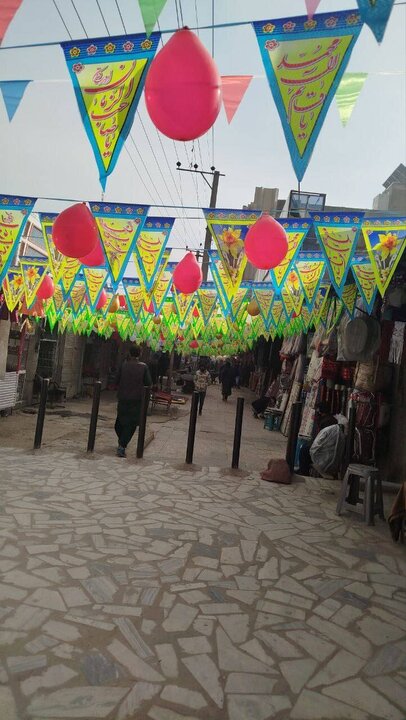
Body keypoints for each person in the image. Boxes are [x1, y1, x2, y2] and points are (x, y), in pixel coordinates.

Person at [114, 345, 152, 458]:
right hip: (136, 400)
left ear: (129, 353)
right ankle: (122, 444)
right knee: (130, 424)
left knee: (120, 422)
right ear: (139, 354)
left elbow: (116, 380)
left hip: (123, 398)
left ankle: (122, 442)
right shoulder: (144, 367)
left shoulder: (124, 365)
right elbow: (148, 383)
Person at [298, 401, 338, 475]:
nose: (317, 410)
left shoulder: (326, 421)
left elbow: (322, 437)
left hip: (325, 447)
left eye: (318, 409)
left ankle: (303, 471)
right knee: (306, 447)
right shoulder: (329, 419)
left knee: (304, 449)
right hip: (327, 445)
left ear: (321, 409)